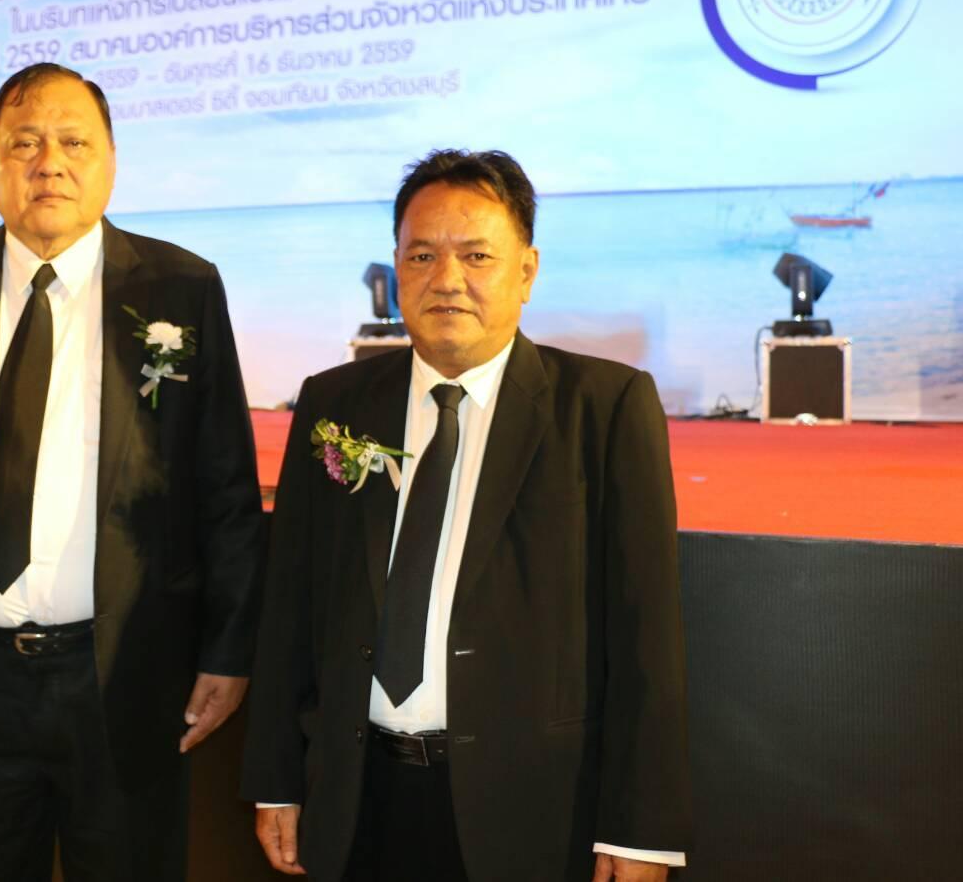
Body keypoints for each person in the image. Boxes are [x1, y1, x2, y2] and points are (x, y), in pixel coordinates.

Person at [0, 63, 264, 881]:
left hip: (127, 670)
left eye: (74, 142)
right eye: (23, 143)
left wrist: (228, 650)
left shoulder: (181, 287)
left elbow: (226, 490)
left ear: (111, 160)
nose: (49, 163)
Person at [242, 149, 691, 881]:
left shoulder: (603, 408)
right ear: (395, 267)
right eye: (421, 255)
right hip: (354, 800)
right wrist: (276, 779)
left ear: (527, 271)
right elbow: (288, 607)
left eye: (476, 255)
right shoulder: (334, 404)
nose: (446, 278)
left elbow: (647, 636)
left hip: (530, 811)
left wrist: (640, 831)